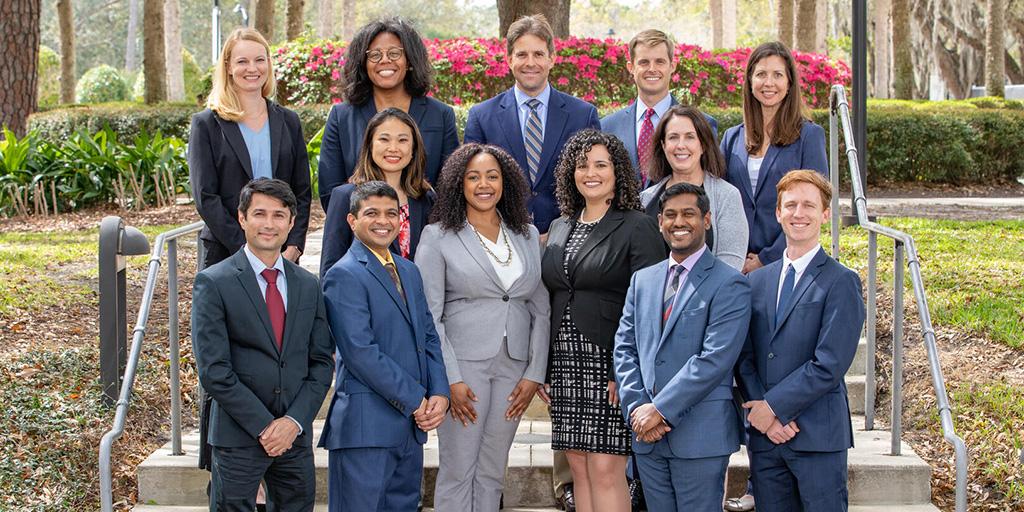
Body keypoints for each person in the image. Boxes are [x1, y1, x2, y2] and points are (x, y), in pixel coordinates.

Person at [415, 143, 551, 511]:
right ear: (459, 183)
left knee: (493, 470)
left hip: (515, 366)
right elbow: (430, 313)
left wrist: (535, 373)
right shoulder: (438, 236)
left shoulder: (524, 234)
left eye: (492, 176)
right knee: (459, 470)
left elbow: (540, 307)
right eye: (473, 177)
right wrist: (450, 379)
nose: (484, 184)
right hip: (464, 367)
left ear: (505, 182)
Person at [191, 178, 334, 512]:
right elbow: (214, 370)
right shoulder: (214, 282)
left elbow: (321, 363)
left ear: (291, 223)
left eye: (279, 215)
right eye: (259, 214)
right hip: (238, 436)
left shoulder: (308, 285)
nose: (269, 224)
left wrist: (293, 423)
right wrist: (266, 427)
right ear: (242, 219)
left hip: (294, 437)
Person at [540, 129, 664, 512]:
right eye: (582, 165)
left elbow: (648, 302)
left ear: (617, 172)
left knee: (607, 468)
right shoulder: (561, 225)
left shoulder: (636, 225)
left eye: (600, 164)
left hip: (608, 362)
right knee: (578, 465)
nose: (590, 173)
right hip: (564, 363)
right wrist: (545, 367)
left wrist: (624, 370)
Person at [614, 182, 751, 511]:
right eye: (670, 215)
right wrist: (638, 409)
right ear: (659, 221)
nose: (679, 222)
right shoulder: (642, 280)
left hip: (699, 435)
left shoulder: (729, 282)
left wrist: (659, 411)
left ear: (706, 220)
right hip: (646, 434)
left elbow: (714, 359)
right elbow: (625, 347)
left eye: (689, 214)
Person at [734, 170, 865, 512]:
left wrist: (773, 408)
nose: (798, 213)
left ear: (825, 214)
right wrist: (762, 412)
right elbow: (744, 355)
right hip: (766, 440)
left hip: (817, 436)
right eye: (790, 205)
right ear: (778, 213)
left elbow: (830, 363)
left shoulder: (841, 281)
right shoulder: (755, 282)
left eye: (809, 205)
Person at [319, 181, 450, 512]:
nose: (383, 221)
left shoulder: (408, 271)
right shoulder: (343, 275)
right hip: (366, 428)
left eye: (391, 213)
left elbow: (428, 336)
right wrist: (415, 400)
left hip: (408, 430)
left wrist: (439, 392)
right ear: (352, 221)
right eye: (371, 213)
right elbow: (360, 351)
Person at [464, 14, 601, 235]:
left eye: (538, 54)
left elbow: (595, 182)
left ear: (552, 58)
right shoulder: (482, 116)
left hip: (568, 239)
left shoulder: (583, 115)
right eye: (521, 54)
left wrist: (560, 233)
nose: (530, 63)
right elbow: (471, 183)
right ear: (509, 59)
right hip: (501, 238)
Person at [189, 27, 311, 270]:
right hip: (226, 254)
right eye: (242, 61)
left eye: (259, 60)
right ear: (228, 68)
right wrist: (247, 250)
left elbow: (302, 190)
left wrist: (294, 245)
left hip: (282, 254)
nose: (252, 69)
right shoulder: (206, 124)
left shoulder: (288, 121)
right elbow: (206, 197)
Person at [317, 17, 459, 210]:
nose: (385, 60)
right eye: (374, 55)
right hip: (361, 234)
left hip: (426, 233)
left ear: (410, 60)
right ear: (363, 63)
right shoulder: (342, 116)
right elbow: (330, 191)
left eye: (394, 53)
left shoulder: (441, 115)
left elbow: (450, 189)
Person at [720, 41, 827, 276]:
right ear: (750, 82)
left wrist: (765, 259)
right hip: (736, 263)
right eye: (761, 74)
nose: (769, 83)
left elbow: (814, 202)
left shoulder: (809, 136)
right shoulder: (731, 138)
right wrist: (734, 256)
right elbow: (721, 201)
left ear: (789, 83)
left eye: (777, 75)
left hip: (787, 261)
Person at [319, 108, 435, 277]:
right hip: (361, 300)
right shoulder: (345, 196)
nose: (393, 148)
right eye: (384, 139)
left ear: (413, 149)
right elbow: (330, 267)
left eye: (402, 140)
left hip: (416, 299)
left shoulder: (426, 198)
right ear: (370, 145)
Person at [601, 29, 718, 187]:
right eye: (644, 62)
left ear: (672, 66)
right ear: (631, 67)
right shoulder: (607, 126)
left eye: (660, 62)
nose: (652, 69)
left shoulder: (703, 124)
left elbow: (710, 184)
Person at [639, 104, 748, 271]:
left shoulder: (726, 196)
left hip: (710, 295)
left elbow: (731, 263)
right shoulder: (646, 200)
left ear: (703, 144)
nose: (681, 145)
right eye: (673, 137)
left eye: (690, 137)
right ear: (663, 145)